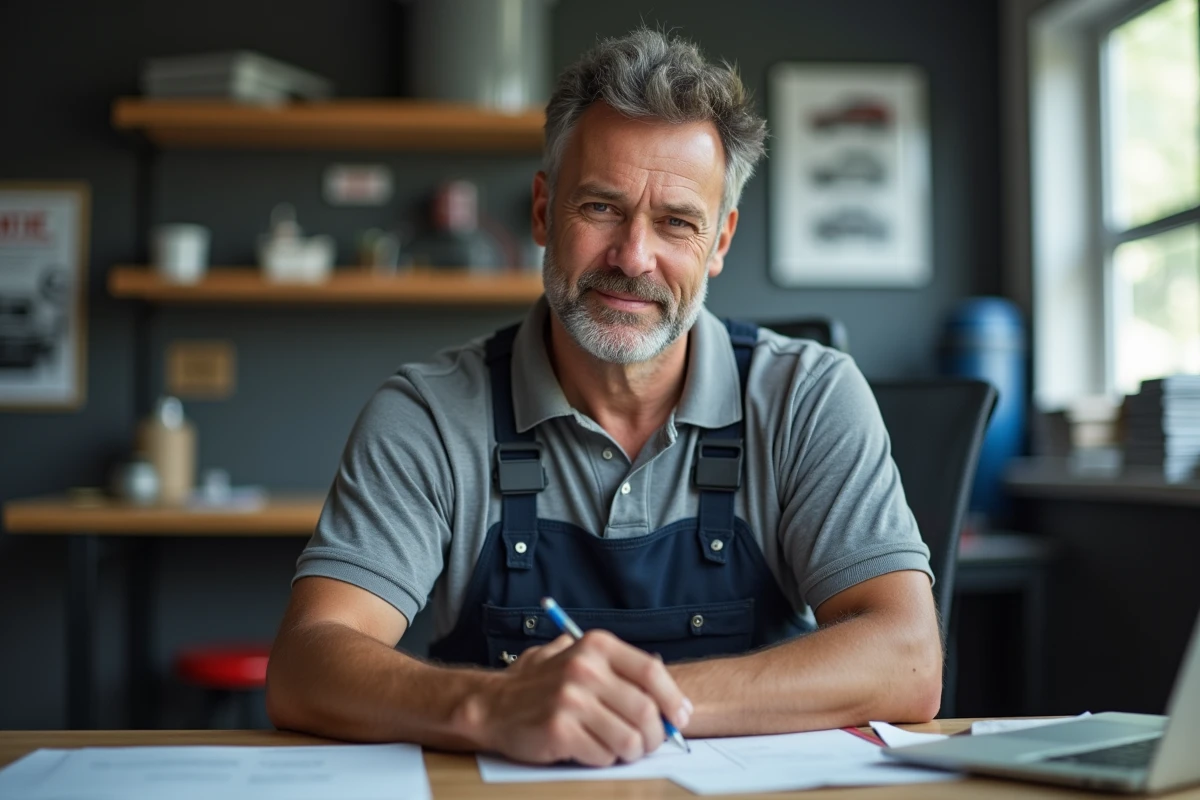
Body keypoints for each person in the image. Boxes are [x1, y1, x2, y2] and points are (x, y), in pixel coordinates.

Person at [266, 28, 942, 767]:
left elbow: (908, 658)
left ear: (719, 242)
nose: (633, 257)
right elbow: (307, 662)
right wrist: (492, 705)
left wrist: (634, 704)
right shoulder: (428, 414)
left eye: (677, 222)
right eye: (600, 208)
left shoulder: (808, 396)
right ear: (542, 211)